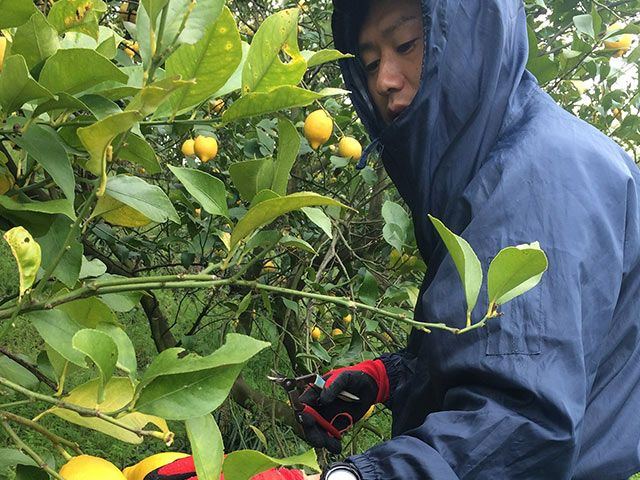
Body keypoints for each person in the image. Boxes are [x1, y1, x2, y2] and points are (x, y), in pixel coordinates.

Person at [149, 0, 640, 478]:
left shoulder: (542, 175)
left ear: (472, 40)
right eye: (369, 63)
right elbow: (496, 348)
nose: (384, 79)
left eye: (406, 44)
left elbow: (517, 428)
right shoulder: (486, 169)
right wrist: (390, 377)